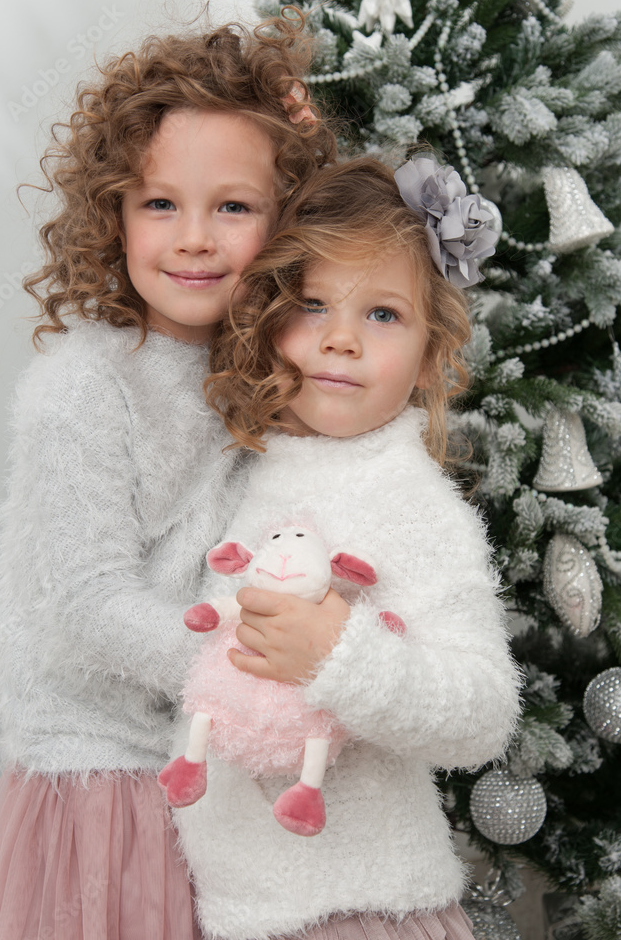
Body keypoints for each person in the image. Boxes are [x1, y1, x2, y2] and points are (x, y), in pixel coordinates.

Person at [0, 11, 336, 940]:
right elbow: (86, 604)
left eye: (235, 207)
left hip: (203, 763)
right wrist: (257, 675)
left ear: (284, 220)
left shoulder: (269, 373)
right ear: (114, 213)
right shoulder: (83, 387)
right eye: (160, 204)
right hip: (101, 777)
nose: (195, 239)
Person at [164, 156, 522, 940]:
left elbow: (482, 713)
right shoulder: (247, 472)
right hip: (235, 906)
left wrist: (339, 654)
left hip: (358, 909)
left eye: (382, 315)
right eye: (313, 303)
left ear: (431, 352)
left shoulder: (412, 505)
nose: (339, 340)